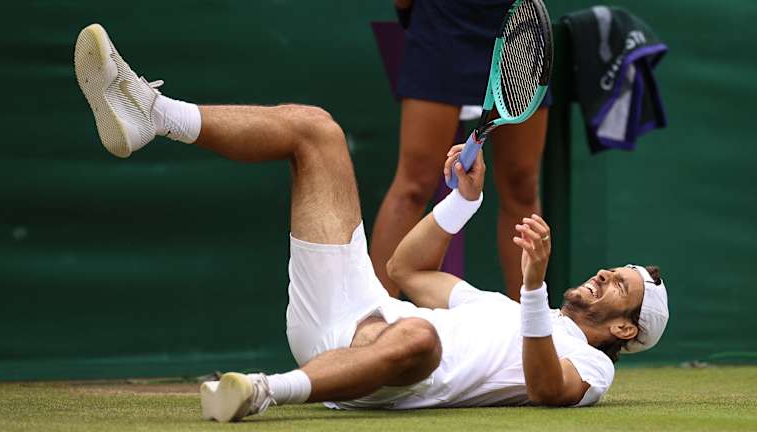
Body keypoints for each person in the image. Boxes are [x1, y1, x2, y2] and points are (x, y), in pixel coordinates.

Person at [74, 24, 669, 422]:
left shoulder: (591, 368)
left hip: (383, 371)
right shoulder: (500, 311)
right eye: (612, 270)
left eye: (620, 286)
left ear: (624, 331)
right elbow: (404, 269)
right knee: (316, 130)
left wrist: (534, 285)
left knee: (422, 337)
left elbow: (546, 390)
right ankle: (151, 113)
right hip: (346, 308)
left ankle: (262, 390)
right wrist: (461, 203)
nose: (603, 276)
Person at [370, 0, 551, 300]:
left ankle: (529, 330)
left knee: (521, 185)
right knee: (413, 185)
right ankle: (371, 321)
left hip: (519, 24)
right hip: (441, 23)